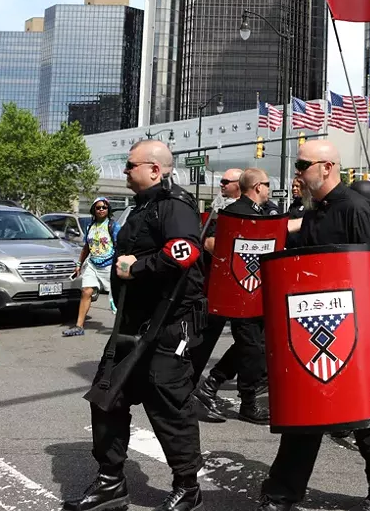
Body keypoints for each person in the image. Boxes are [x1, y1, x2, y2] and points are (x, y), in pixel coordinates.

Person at [258, 140, 370, 511]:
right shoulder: (314, 212)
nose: (297, 174)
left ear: (326, 167)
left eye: (302, 165)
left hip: (354, 332)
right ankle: (282, 493)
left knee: (369, 418)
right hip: (314, 326)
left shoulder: (355, 209)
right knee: (304, 414)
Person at [66, 140, 205, 511]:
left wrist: (137, 267)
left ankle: (187, 486)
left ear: (155, 169)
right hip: (131, 325)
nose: (126, 171)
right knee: (106, 397)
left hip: (168, 324)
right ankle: (111, 481)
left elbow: (185, 251)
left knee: (169, 406)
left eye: (130, 166)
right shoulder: (140, 208)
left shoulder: (174, 206)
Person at [194, 168, 272, 425]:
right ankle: (246, 402)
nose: (270, 188)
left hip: (258, 288)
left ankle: (212, 383)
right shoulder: (231, 213)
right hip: (240, 290)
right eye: (268, 184)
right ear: (258, 186)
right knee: (251, 347)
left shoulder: (267, 211)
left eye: (226, 181)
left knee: (251, 345)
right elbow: (208, 243)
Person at [64, 198, 120, 337]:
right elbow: (86, 247)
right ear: (93, 210)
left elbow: (121, 247)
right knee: (86, 291)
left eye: (104, 207)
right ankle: (79, 326)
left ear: (108, 210)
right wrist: (79, 265)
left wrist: (121, 266)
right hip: (92, 265)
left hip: (109, 266)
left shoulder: (113, 226)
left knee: (117, 299)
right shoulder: (90, 226)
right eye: (98, 207)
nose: (101, 210)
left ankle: (123, 329)